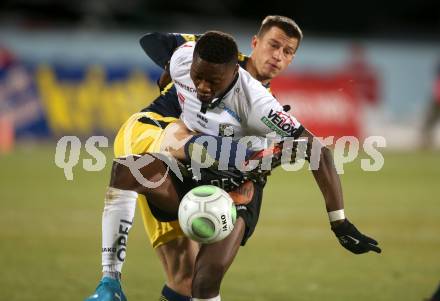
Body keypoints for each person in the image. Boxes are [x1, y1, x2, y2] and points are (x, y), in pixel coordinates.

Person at [86, 28, 381, 301]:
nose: (201, 87)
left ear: (233, 74)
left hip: (239, 187)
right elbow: (154, 42)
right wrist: (169, 76)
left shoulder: (259, 103)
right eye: (196, 77)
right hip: (194, 170)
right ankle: (110, 283)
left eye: (212, 82)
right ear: (254, 43)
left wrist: (339, 222)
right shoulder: (184, 59)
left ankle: (233, 159)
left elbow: (317, 150)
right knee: (127, 170)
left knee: (202, 282)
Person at [421, 61, 440, 149]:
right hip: (435, 103)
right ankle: (426, 143)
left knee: (428, 125)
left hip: (436, 103)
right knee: (428, 125)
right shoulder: (437, 80)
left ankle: (426, 143)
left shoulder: (437, 80)